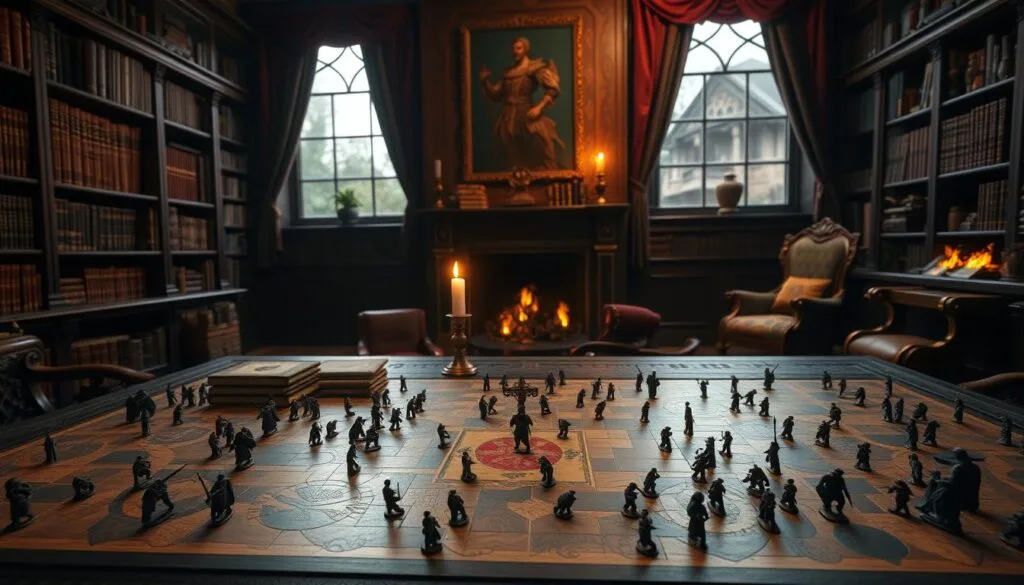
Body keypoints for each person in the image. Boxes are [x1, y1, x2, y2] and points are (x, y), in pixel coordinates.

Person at [478, 36, 566, 170]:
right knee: (509, 156)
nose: (515, 51)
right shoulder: (508, 73)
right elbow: (496, 95)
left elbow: (553, 89)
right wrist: (485, 82)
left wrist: (539, 107)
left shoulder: (533, 68)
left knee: (543, 145)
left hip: (527, 115)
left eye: (518, 48)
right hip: (507, 118)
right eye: (513, 49)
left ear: (526, 49)